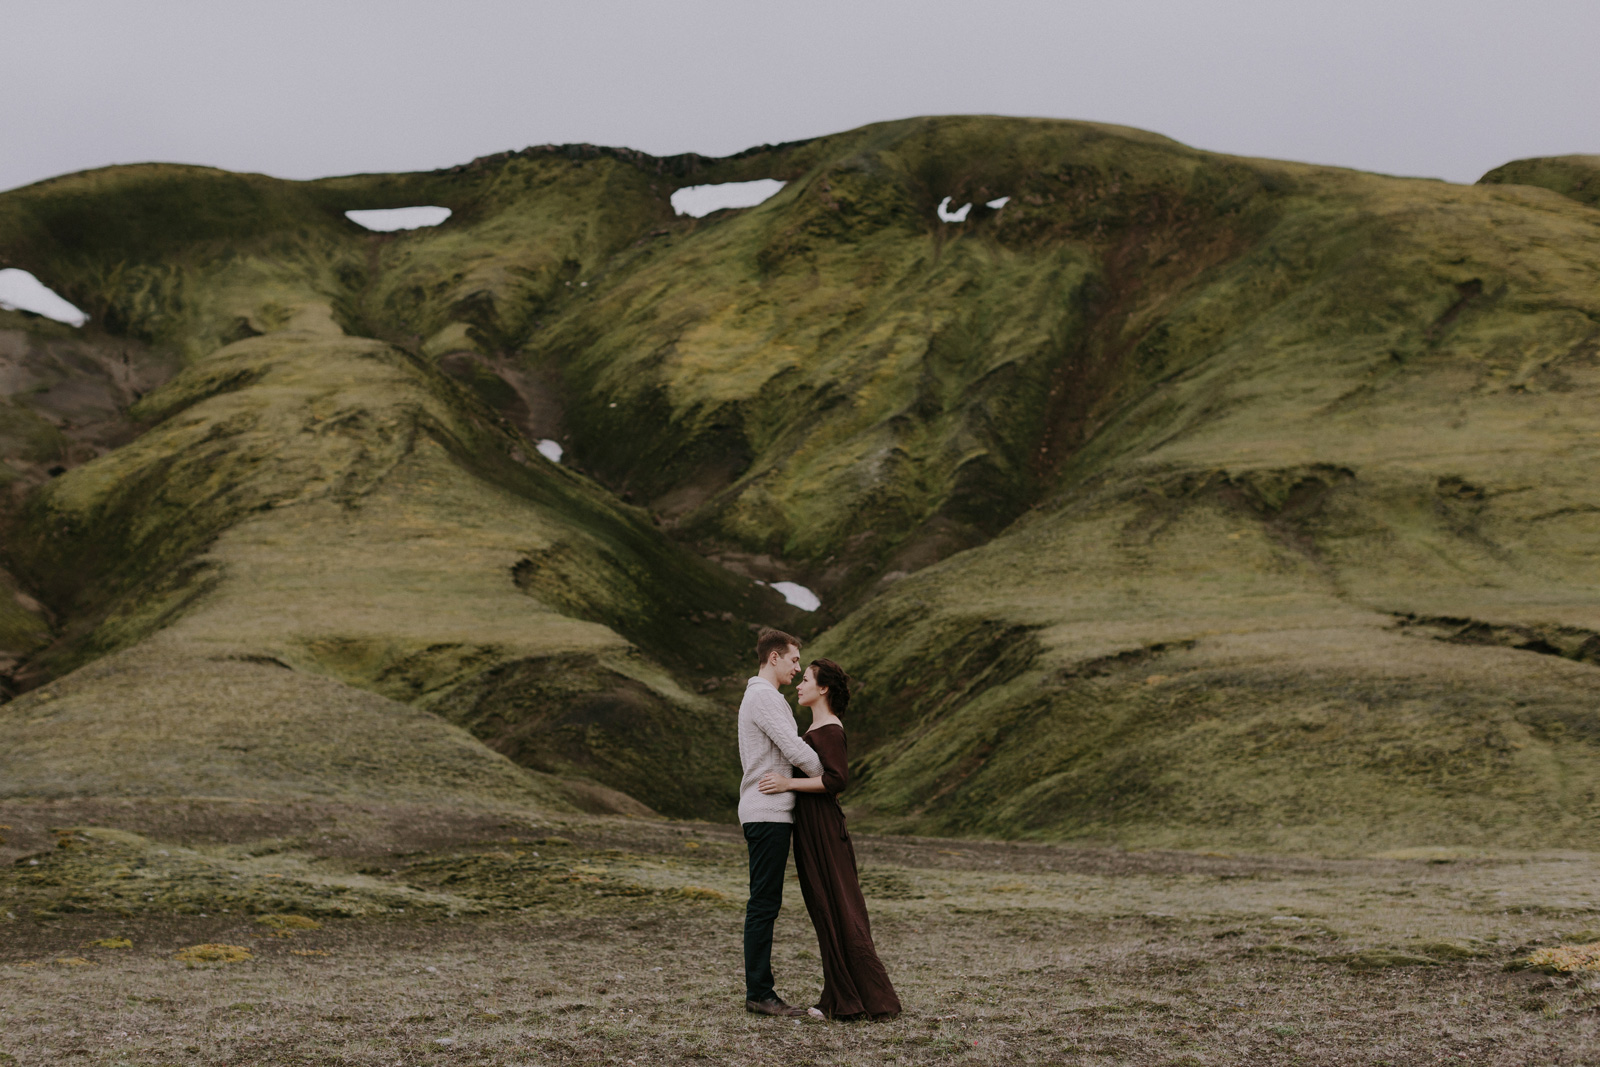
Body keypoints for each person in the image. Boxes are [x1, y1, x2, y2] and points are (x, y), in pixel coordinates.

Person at [758, 658, 902, 1021]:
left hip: (824, 828)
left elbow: (837, 780)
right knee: (825, 908)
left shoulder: (831, 730)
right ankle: (841, 996)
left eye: (805, 679)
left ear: (823, 688)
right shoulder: (816, 727)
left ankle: (865, 999)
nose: (799, 684)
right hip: (812, 827)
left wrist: (788, 783)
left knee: (838, 906)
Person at [738, 628, 825, 1018]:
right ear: (774, 657)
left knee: (765, 902)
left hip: (767, 810)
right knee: (764, 903)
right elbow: (792, 747)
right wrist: (829, 773)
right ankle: (759, 993)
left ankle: (760, 990)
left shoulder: (760, 696)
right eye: (793, 660)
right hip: (767, 810)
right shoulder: (764, 697)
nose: (798, 667)